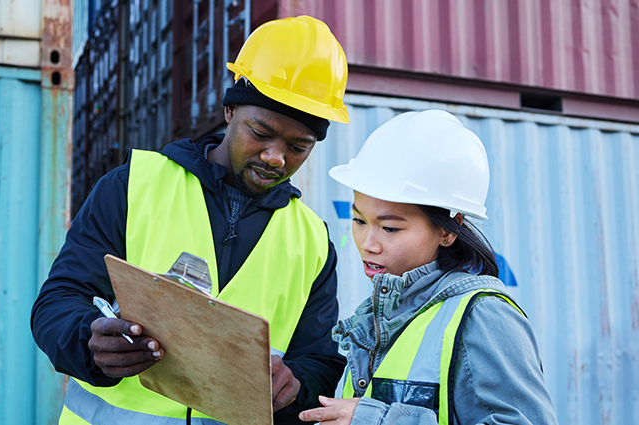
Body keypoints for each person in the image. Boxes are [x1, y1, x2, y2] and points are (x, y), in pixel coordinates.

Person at [31, 15, 350, 425]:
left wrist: (295, 386)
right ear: (230, 110)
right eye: (261, 132)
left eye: (298, 146)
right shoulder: (133, 187)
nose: (275, 157)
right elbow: (58, 300)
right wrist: (89, 340)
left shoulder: (312, 241)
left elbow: (319, 361)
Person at [298, 110, 558, 424]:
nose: (368, 243)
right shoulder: (379, 317)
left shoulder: (484, 315)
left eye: (390, 229)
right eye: (359, 221)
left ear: (448, 230)